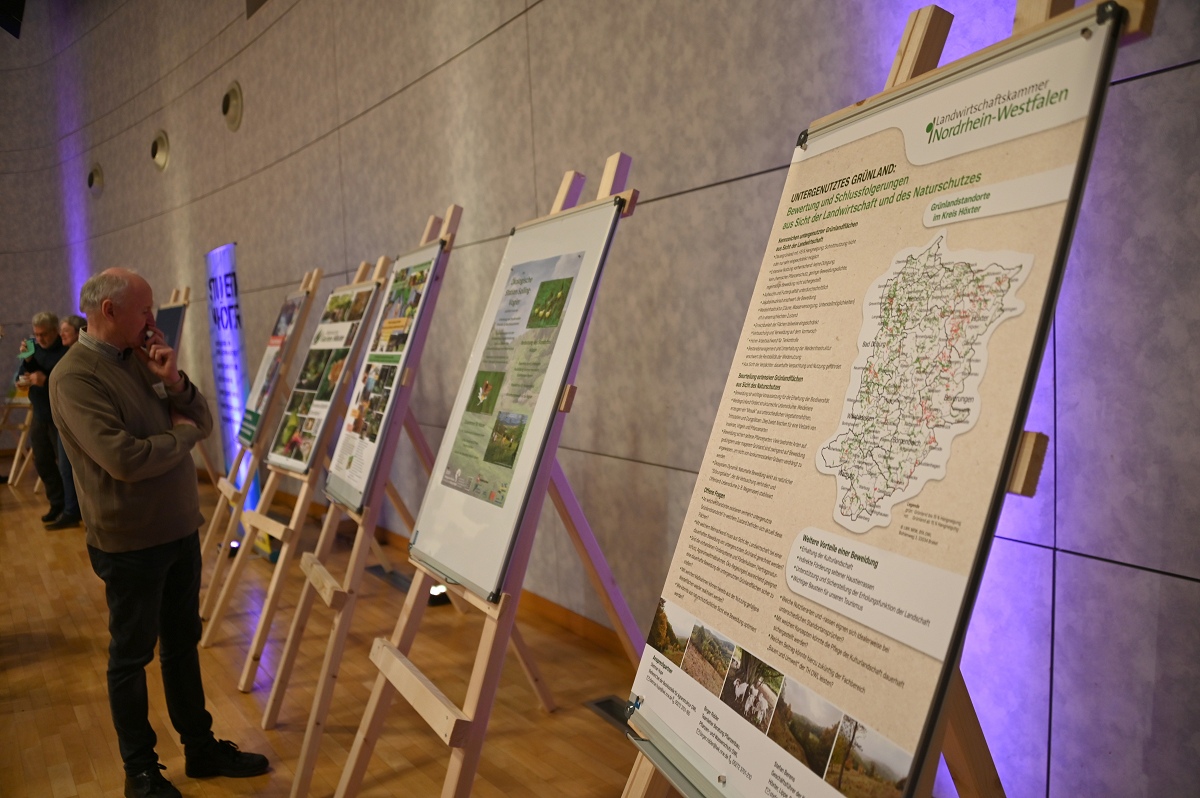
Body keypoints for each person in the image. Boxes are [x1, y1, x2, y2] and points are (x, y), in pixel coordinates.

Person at [50, 269, 268, 798]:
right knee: (131, 657)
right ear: (109, 311)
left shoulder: (141, 360)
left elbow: (202, 419)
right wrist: (183, 437)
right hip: (129, 542)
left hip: (177, 529)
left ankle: (200, 747)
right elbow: (125, 459)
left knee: (182, 645)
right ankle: (141, 771)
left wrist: (172, 381)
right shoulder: (73, 377)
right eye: (145, 309)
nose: (153, 319)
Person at [20, 311, 68, 524]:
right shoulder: (33, 348)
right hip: (39, 414)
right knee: (42, 462)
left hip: (60, 416)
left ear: (55, 331)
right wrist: (25, 372)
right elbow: (25, 372)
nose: (39, 339)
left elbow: (66, 383)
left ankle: (71, 507)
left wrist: (45, 381)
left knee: (66, 466)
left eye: (44, 334)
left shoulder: (66, 350)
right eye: (36, 334)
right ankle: (56, 504)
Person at [46, 314, 87, 529]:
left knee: (72, 468)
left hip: (74, 420)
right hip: (62, 418)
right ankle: (70, 509)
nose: (61, 334)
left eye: (65, 330)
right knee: (63, 468)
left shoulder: (79, 355)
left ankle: (74, 511)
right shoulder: (68, 353)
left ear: (78, 332)